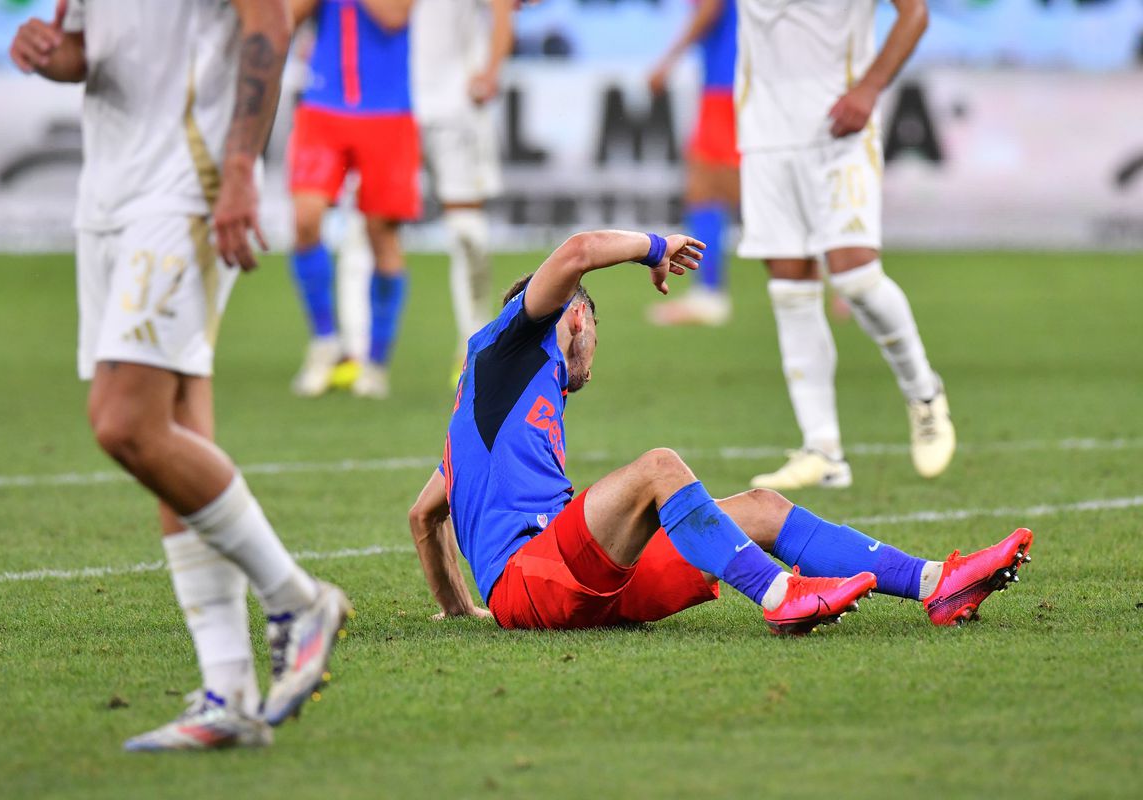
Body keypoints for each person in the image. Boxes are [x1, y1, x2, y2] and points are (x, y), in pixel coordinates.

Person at [10, 0, 352, 751]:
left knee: (124, 423)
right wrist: (45, 50)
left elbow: (269, 24)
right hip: (108, 198)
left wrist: (237, 171)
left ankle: (297, 600)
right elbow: (84, 51)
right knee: (170, 434)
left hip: (187, 183)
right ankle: (227, 690)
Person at [407, 230, 1032, 631]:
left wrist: (461, 609)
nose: (589, 366)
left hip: (576, 582)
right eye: (596, 335)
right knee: (659, 467)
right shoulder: (508, 343)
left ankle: (936, 583)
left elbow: (422, 517)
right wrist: (655, 248)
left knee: (760, 508)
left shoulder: (484, 420)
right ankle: (781, 594)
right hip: (536, 578)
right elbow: (576, 251)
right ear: (576, 317)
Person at [735, 0, 956, 490]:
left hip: (840, 128)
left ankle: (923, 393)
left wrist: (870, 87)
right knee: (790, 290)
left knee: (855, 277)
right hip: (765, 135)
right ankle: (823, 449)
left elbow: (914, 13)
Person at [287, 0, 418, 399]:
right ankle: (324, 340)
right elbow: (289, 15)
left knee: (381, 235)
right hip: (323, 105)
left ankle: (375, 362)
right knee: (305, 218)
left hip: (388, 111)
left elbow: (396, 15)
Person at [411, 0, 514, 384]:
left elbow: (503, 9)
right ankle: (358, 355)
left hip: (456, 105)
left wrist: (491, 70)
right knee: (365, 228)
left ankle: (474, 346)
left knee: (466, 230)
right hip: (393, 101)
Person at [646, 0, 740, 328]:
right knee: (721, 189)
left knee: (707, 188)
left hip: (726, 86)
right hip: (735, 83)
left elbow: (710, 8)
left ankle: (709, 296)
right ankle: (841, 278)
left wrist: (668, 61)